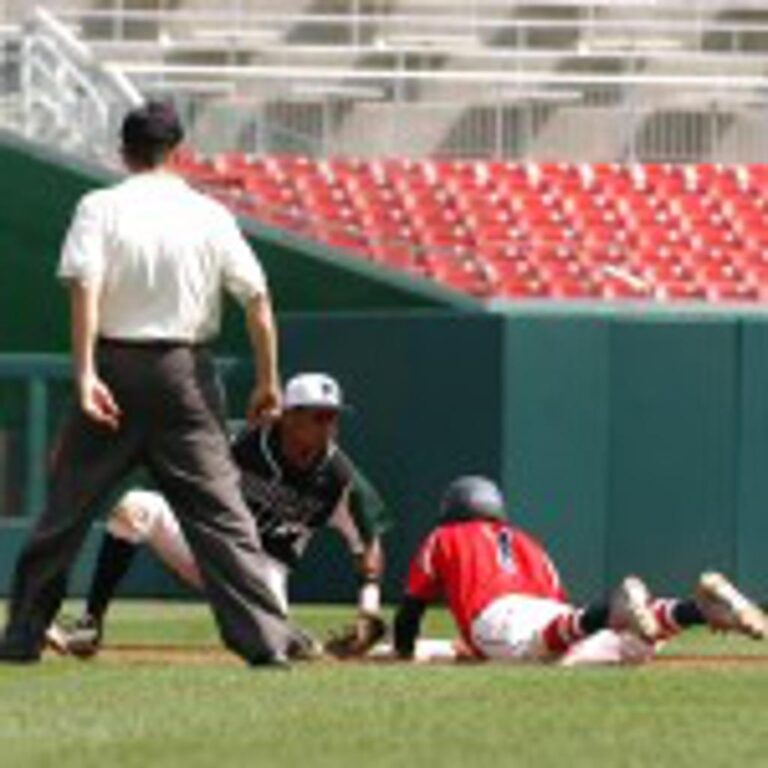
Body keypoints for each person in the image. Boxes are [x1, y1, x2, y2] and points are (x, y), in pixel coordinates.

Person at [0, 100, 304, 666]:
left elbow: (84, 287)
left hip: (115, 370)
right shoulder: (209, 214)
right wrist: (268, 381)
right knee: (222, 518)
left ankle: (21, 638)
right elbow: (258, 301)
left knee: (66, 511)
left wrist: (87, 372)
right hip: (186, 376)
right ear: (179, 153)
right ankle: (267, 643)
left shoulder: (99, 205)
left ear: (124, 151)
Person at [48, 372, 392, 659]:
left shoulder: (340, 479)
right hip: (208, 543)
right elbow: (177, 452)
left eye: (333, 416)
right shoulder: (245, 441)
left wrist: (369, 611)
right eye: (319, 416)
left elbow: (368, 546)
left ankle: (296, 639)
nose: (329, 425)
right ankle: (90, 624)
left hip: (263, 569)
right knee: (135, 507)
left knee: (272, 642)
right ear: (289, 415)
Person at [393, 476, 767, 665]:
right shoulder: (527, 542)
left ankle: (611, 609)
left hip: (495, 614)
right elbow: (556, 600)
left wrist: (404, 652)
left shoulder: (444, 536)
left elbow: (411, 608)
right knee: (627, 649)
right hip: (546, 611)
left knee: (537, 652)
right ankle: (698, 611)